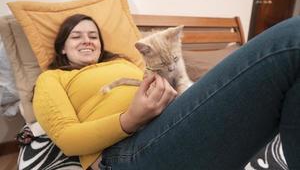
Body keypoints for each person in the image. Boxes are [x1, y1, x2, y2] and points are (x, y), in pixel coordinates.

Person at [26, 13, 300, 170]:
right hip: (121, 154)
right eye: (77, 36)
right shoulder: (52, 79)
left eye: (93, 36)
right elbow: (68, 139)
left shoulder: (123, 62)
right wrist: (130, 120)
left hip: (170, 124)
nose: (87, 40)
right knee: (292, 39)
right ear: (62, 47)